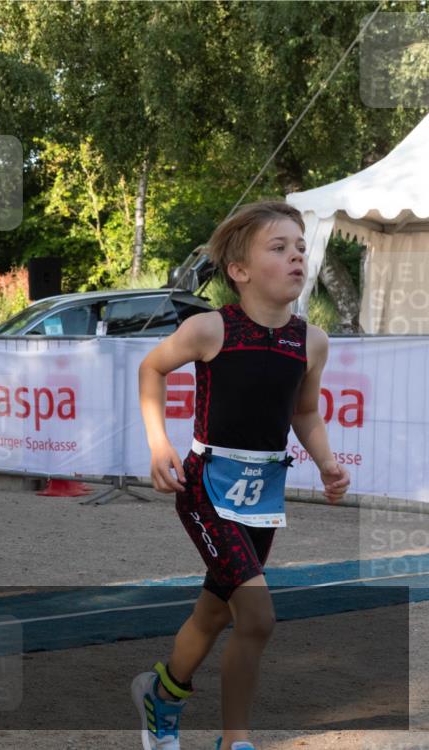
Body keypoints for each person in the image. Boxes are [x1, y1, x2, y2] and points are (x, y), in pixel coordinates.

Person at [133, 201, 351, 750]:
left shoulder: (311, 341)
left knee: (213, 613)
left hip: (263, 496)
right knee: (256, 616)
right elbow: (151, 368)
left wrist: (326, 463)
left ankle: (161, 696)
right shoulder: (210, 328)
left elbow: (303, 412)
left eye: (300, 247)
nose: (296, 256)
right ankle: (236, 741)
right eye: (278, 248)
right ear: (240, 270)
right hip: (204, 486)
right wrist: (160, 444)